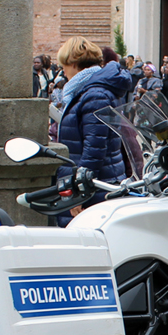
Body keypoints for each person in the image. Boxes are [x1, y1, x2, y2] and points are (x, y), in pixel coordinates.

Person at [54, 36, 132, 225]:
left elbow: (95, 148)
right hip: (97, 181)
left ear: (73, 63)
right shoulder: (92, 90)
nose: (62, 71)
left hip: (93, 187)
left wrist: (79, 192)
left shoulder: (94, 94)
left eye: (64, 65)